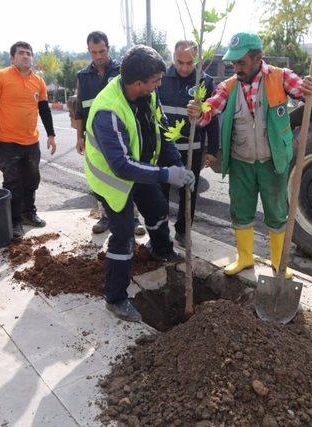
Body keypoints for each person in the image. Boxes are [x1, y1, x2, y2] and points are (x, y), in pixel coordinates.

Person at [187, 32, 312, 278]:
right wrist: (199, 112)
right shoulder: (227, 86)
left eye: (241, 62)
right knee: (240, 210)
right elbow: (210, 109)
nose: (236, 68)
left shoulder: (281, 77)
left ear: (258, 57)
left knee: (276, 212)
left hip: (273, 161)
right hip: (241, 163)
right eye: (234, 63)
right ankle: (245, 259)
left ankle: (278, 262)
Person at [85, 45, 194, 322]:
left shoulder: (148, 95)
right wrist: (165, 175)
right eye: (155, 80)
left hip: (141, 169)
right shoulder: (107, 111)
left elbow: (163, 132)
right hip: (113, 180)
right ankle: (116, 298)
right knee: (123, 235)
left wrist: (178, 167)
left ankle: (161, 250)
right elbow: (120, 165)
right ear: (137, 83)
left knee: (157, 208)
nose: (160, 84)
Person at [75, 31, 146, 236]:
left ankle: (133, 218)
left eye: (102, 51)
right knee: (100, 175)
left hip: (119, 133)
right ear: (89, 51)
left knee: (125, 174)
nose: (98, 56)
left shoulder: (121, 71)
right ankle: (105, 216)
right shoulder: (83, 76)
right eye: (94, 52)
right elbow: (80, 108)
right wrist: (79, 136)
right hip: (95, 137)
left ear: (109, 48)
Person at [0, 41, 56, 238]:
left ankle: (28, 213)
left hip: (31, 142)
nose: (26, 56)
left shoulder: (38, 81)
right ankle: (14, 220)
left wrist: (51, 134)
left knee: (32, 179)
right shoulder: (0, 76)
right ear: (12, 58)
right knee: (13, 181)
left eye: (29, 53)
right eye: (22, 53)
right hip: (6, 142)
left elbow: (44, 110)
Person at [158, 40, 220, 247]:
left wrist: (212, 150)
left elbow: (212, 117)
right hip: (164, 151)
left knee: (189, 193)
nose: (184, 68)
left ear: (198, 60)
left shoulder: (205, 82)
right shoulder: (160, 79)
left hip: (192, 151)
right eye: (179, 62)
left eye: (189, 63)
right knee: (160, 193)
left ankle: (183, 232)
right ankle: (160, 231)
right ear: (172, 57)